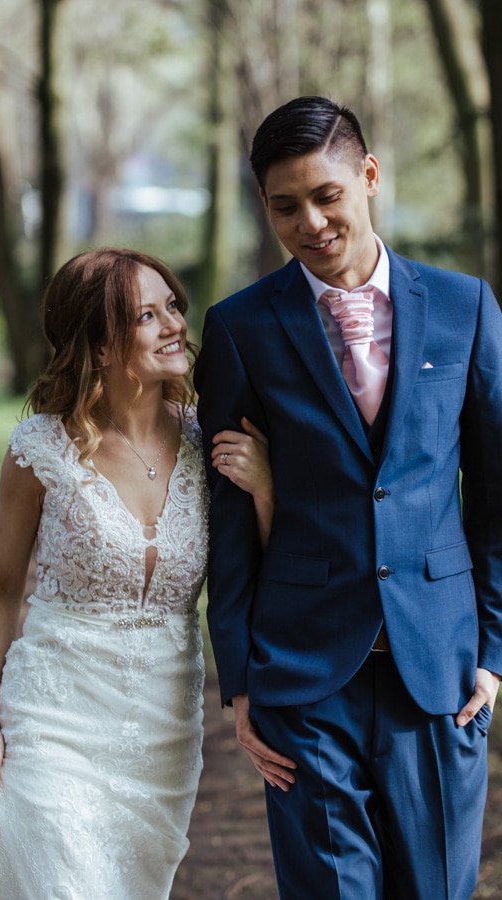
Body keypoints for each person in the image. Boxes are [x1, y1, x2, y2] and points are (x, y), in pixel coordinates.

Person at [194, 96, 502, 898]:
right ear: (264, 207)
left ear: (367, 176)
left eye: (327, 195)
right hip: (302, 673)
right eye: (285, 206)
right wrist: (240, 680)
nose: (312, 223)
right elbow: (228, 516)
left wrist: (494, 657)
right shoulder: (240, 329)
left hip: (437, 673)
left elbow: (498, 498)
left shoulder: (466, 308)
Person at [0, 247, 274, 900]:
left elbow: (260, 567)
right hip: (52, 716)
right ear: (100, 346)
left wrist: (265, 491)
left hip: (163, 728)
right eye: (147, 314)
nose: (174, 325)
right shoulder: (40, 451)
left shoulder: (209, 441)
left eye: (173, 306)